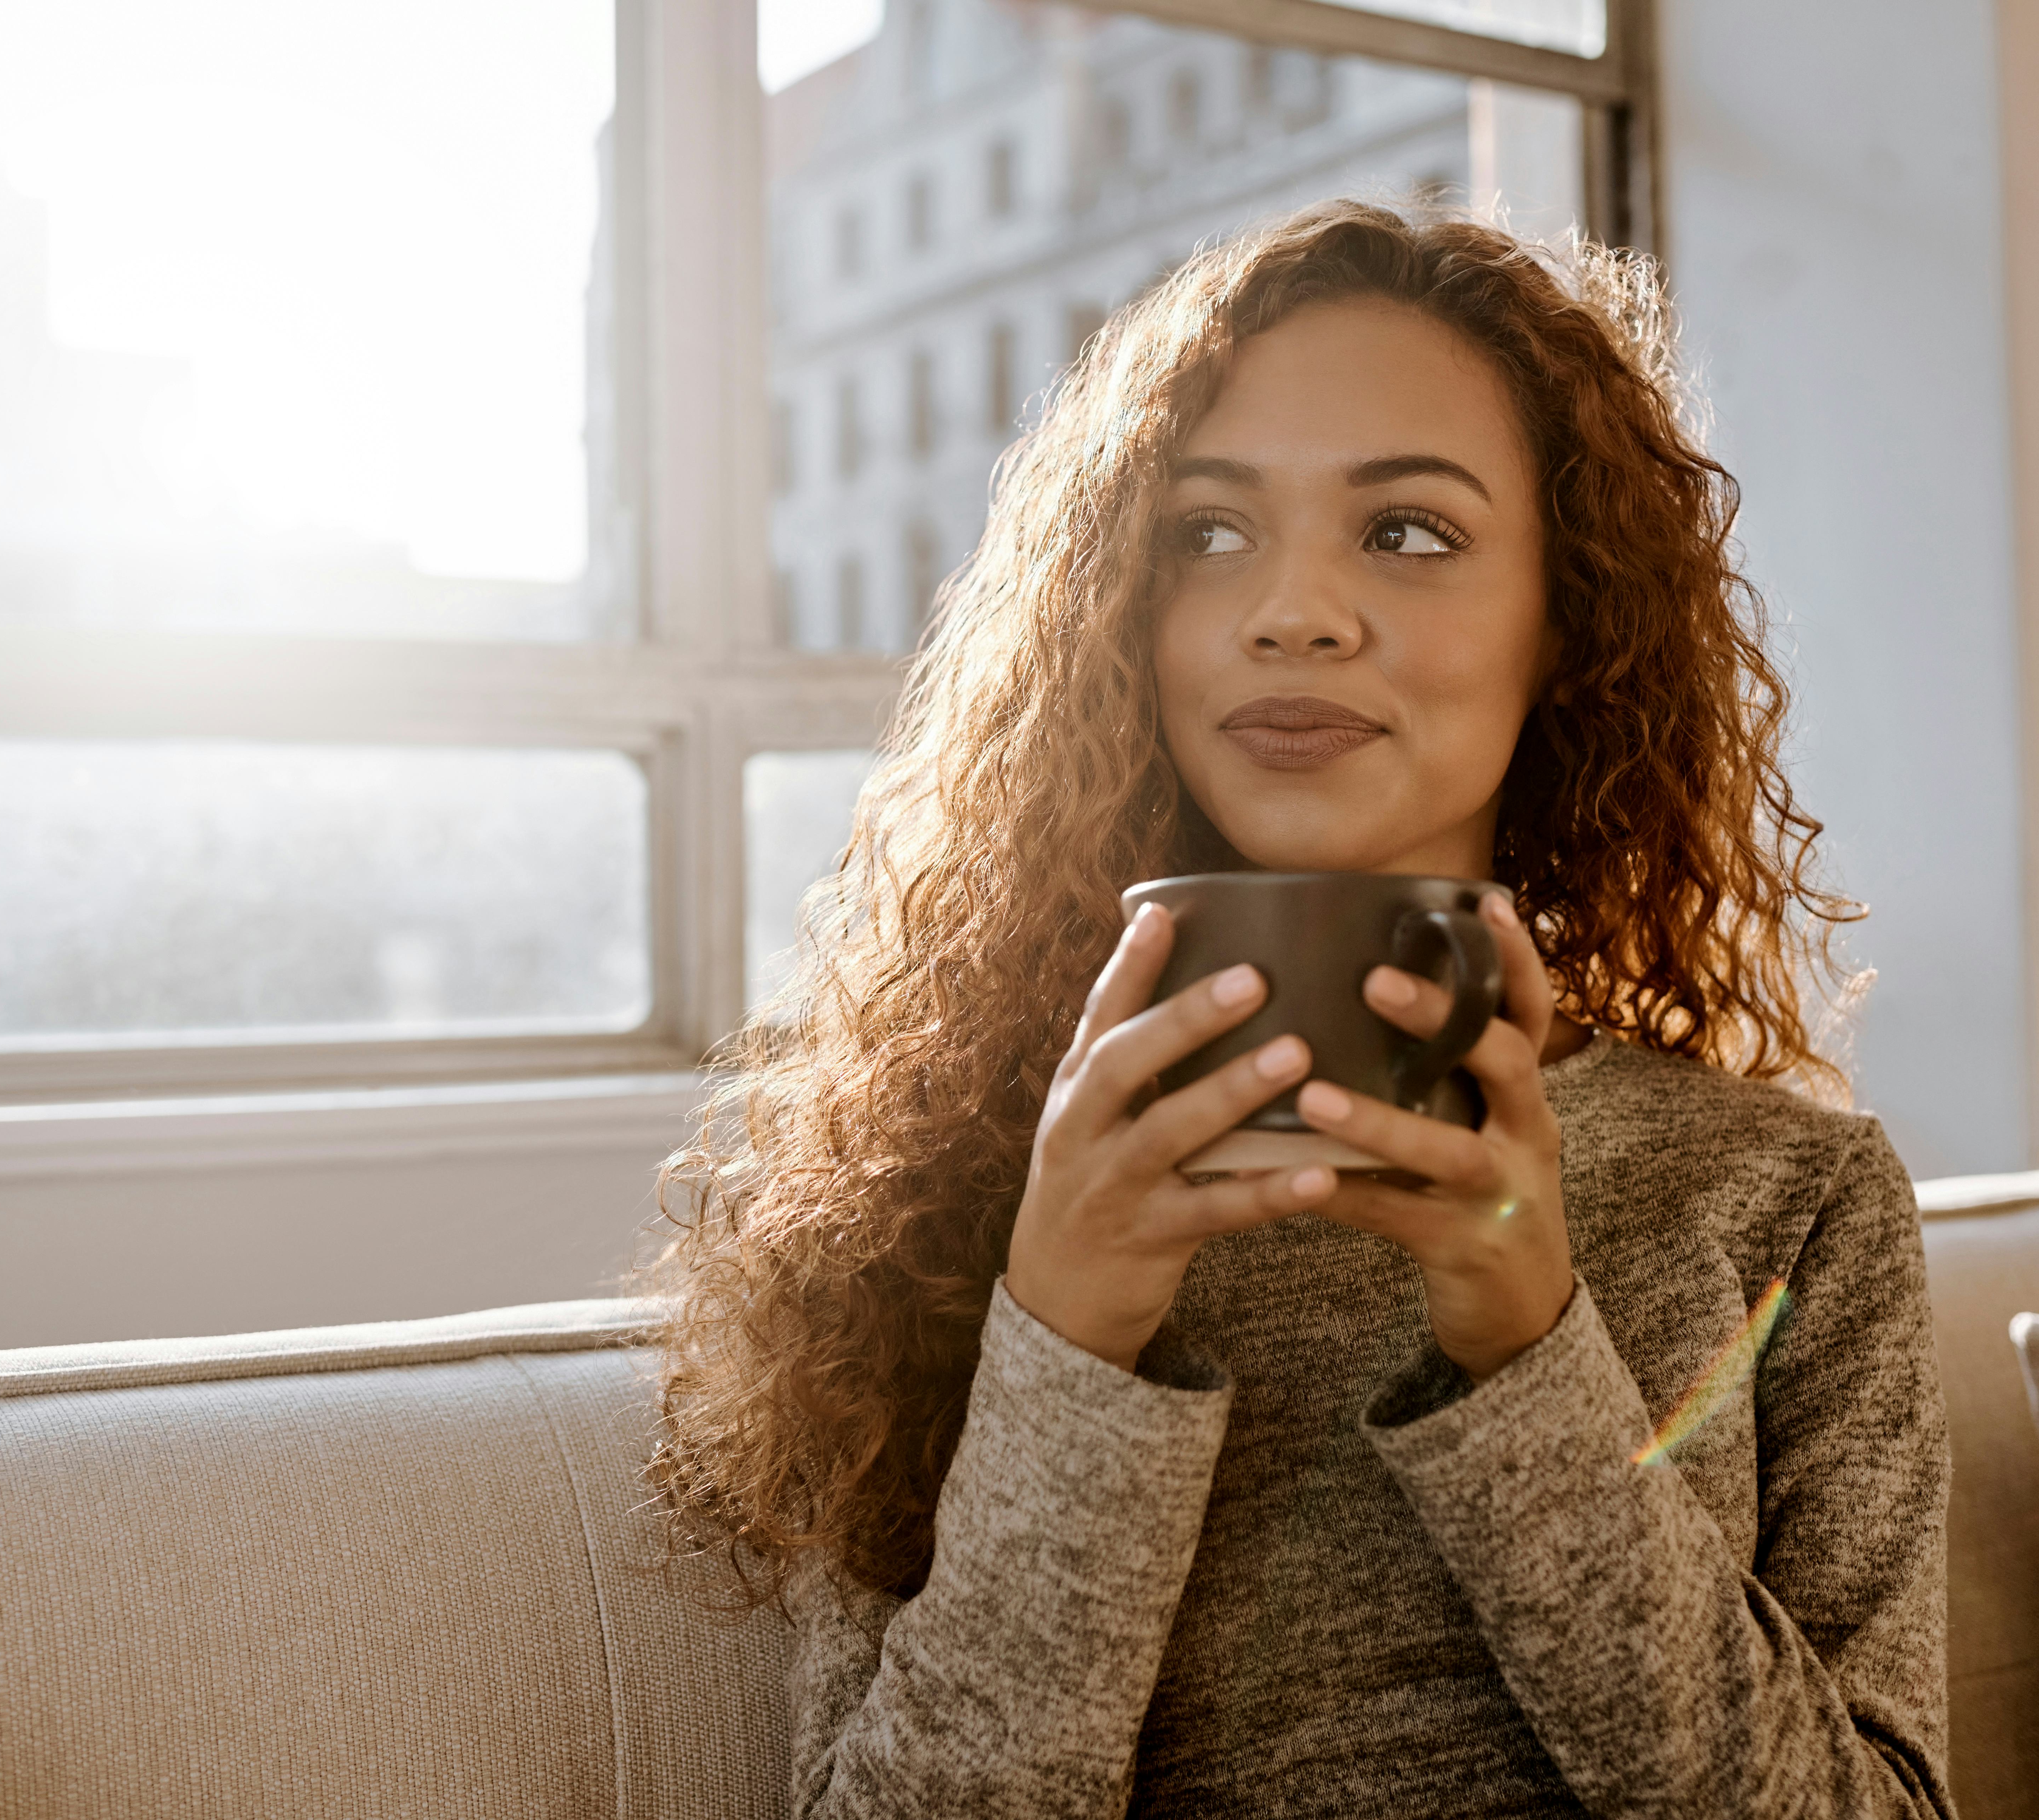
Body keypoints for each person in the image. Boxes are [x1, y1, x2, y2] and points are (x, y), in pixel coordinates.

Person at [651, 200, 1952, 1817]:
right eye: (1207, 533)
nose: (1294, 611)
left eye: (1407, 530)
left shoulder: (1794, 1205)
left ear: (1570, 618)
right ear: (1124, 615)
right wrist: (1067, 1334)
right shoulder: (948, 1184)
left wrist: (1530, 1351)